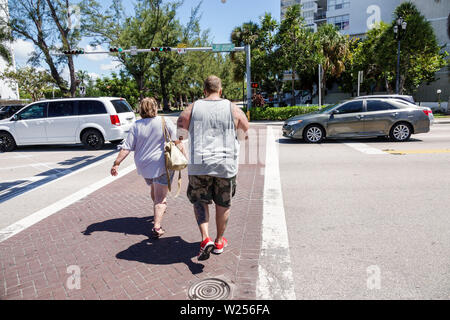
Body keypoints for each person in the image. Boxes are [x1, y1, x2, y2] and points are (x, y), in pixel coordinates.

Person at [177, 75, 249, 261]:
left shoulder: (192, 108)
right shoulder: (233, 109)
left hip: (199, 165)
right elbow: (243, 135)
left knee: (200, 201)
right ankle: (218, 241)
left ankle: (205, 238)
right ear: (221, 90)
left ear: (204, 91)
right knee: (223, 203)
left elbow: (180, 133)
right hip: (225, 165)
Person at [111, 97, 185, 238]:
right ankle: (157, 227)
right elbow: (177, 142)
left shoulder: (136, 125)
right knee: (160, 198)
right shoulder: (164, 121)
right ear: (155, 107)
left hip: (144, 166)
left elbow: (126, 148)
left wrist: (116, 163)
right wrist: (184, 157)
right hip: (161, 164)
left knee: (154, 187)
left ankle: (158, 208)